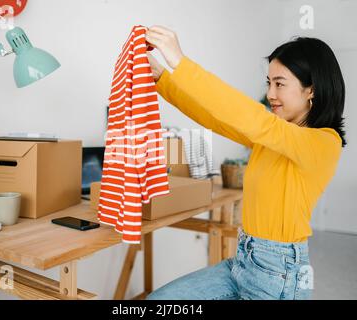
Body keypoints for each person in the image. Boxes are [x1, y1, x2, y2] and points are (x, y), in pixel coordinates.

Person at [144, 26, 346, 300]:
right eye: (269, 83)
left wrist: (180, 62)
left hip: (279, 274)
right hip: (243, 260)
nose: (271, 93)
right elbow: (216, 118)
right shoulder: (272, 137)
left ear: (311, 90)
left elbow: (251, 117)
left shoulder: (323, 142)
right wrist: (163, 81)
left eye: (280, 83)